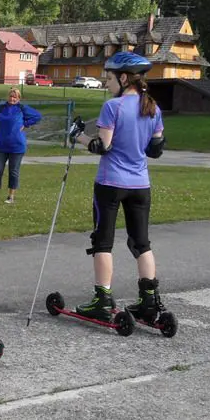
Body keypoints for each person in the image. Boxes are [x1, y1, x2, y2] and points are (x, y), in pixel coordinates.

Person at [71, 51, 167, 323]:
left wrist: (78, 137)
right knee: (141, 243)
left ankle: (103, 299)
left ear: (124, 78)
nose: (106, 82)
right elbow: (156, 149)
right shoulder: (153, 108)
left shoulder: (112, 107)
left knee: (103, 241)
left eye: (110, 77)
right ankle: (148, 300)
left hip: (110, 183)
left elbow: (103, 146)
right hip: (140, 185)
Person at [0, 87, 42, 204]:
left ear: (19, 98)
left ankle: (11, 196)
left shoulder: (22, 108)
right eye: (11, 96)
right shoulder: (1, 108)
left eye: (15, 97)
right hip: (1, 145)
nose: (12, 98)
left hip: (17, 146)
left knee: (13, 171)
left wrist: (26, 124)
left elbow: (37, 116)